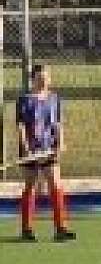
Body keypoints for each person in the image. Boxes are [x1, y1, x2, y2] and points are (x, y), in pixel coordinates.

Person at [15, 64, 70, 242]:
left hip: (49, 149)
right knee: (31, 186)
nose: (44, 81)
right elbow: (21, 126)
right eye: (40, 78)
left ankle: (61, 228)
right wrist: (26, 148)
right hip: (31, 150)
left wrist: (60, 143)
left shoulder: (55, 99)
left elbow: (58, 124)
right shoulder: (24, 100)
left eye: (46, 77)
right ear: (33, 80)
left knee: (56, 184)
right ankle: (27, 229)